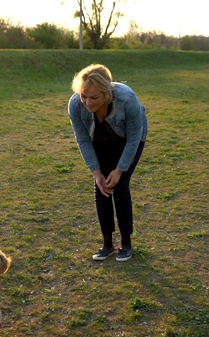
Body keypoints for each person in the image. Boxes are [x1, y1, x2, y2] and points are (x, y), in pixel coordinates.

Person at [68, 64, 148, 262]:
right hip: (99, 140)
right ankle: (107, 244)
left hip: (128, 140)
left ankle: (126, 244)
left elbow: (133, 138)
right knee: (101, 187)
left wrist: (119, 170)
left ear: (107, 93)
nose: (87, 102)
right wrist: (96, 173)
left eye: (94, 97)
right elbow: (83, 139)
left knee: (119, 186)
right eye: (83, 96)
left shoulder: (127, 99)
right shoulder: (75, 104)